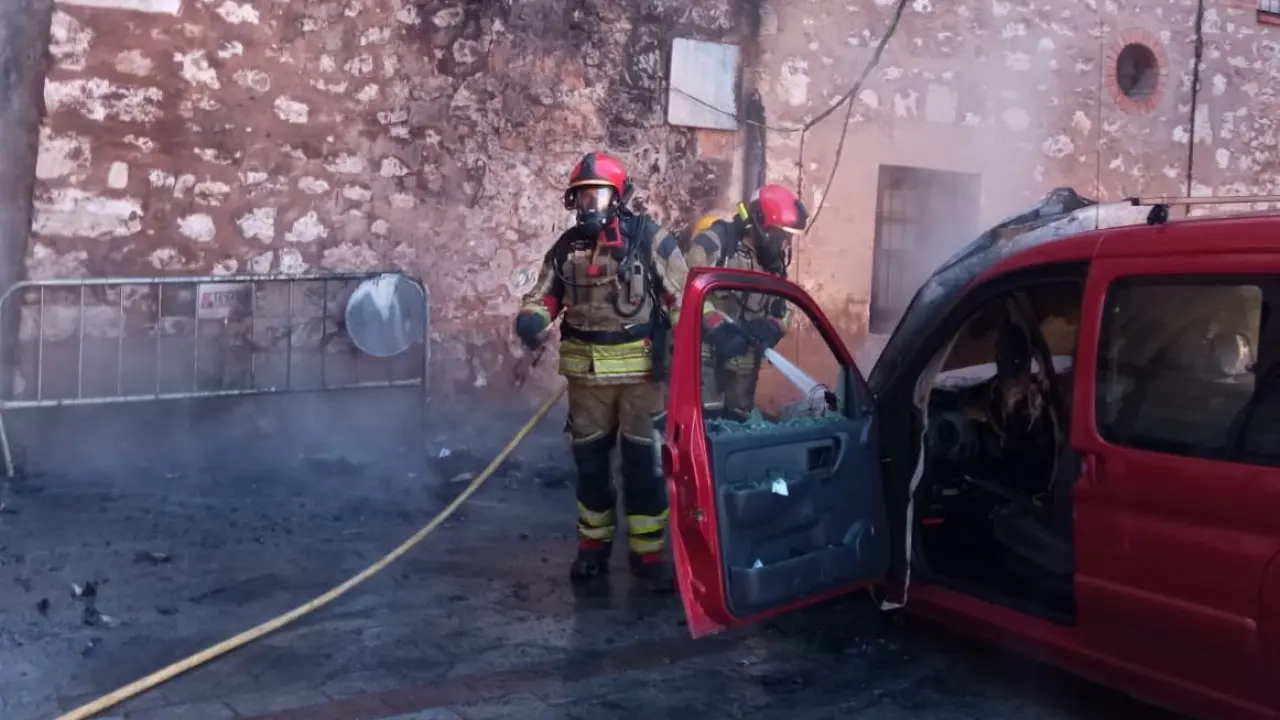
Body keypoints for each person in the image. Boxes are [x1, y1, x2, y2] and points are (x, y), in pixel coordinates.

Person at [514, 151, 690, 592]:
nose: (590, 204)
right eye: (583, 196)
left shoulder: (650, 239)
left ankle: (648, 555)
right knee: (590, 469)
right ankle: (592, 550)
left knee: (644, 468)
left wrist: (689, 347)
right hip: (587, 381)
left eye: (598, 195)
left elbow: (682, 299)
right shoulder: (566, 248)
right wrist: (532, 318)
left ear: (618, 197)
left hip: (642, 381)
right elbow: (544, 295)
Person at [684, 185, 809, 420]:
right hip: (704, 366)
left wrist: (775, 326)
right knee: (705, 427)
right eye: (780, 235)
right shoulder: (714, 244)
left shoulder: (773, 263)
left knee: (739, 428)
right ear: (760, 225)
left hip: (743, 374)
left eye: (788, 237)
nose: (784, 244)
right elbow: (683, 291)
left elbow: (786, 306)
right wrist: (717, 326)